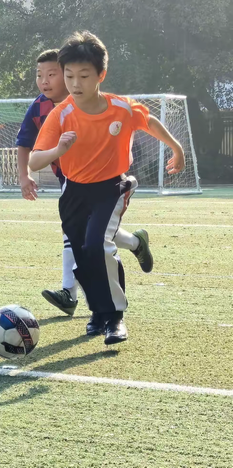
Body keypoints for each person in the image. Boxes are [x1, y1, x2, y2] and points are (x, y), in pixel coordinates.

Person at [30, 31, 185, 344]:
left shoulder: (121, 108)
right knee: (84, 254)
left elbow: (149, 122)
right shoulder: (61, 114)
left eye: (84, 76)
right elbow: (34, 161)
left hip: (111, 187)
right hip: (74, 193)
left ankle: (115, 318)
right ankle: (98, 313)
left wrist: (176, 148)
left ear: (101, 74)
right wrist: (58, 152)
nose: (75, 83)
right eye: (69, 76)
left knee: (98, 244)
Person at [17, 49, 153, 317]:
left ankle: (71, 293)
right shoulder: (40, 107)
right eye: (39, 75)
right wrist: (24, 176)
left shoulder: (89, 98)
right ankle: (136, 244)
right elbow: (24, 144)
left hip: (104, 180)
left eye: (52, 74)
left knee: (84, 237)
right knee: (90, 235)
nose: (45, 80)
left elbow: (133, 120)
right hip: (68, 178)